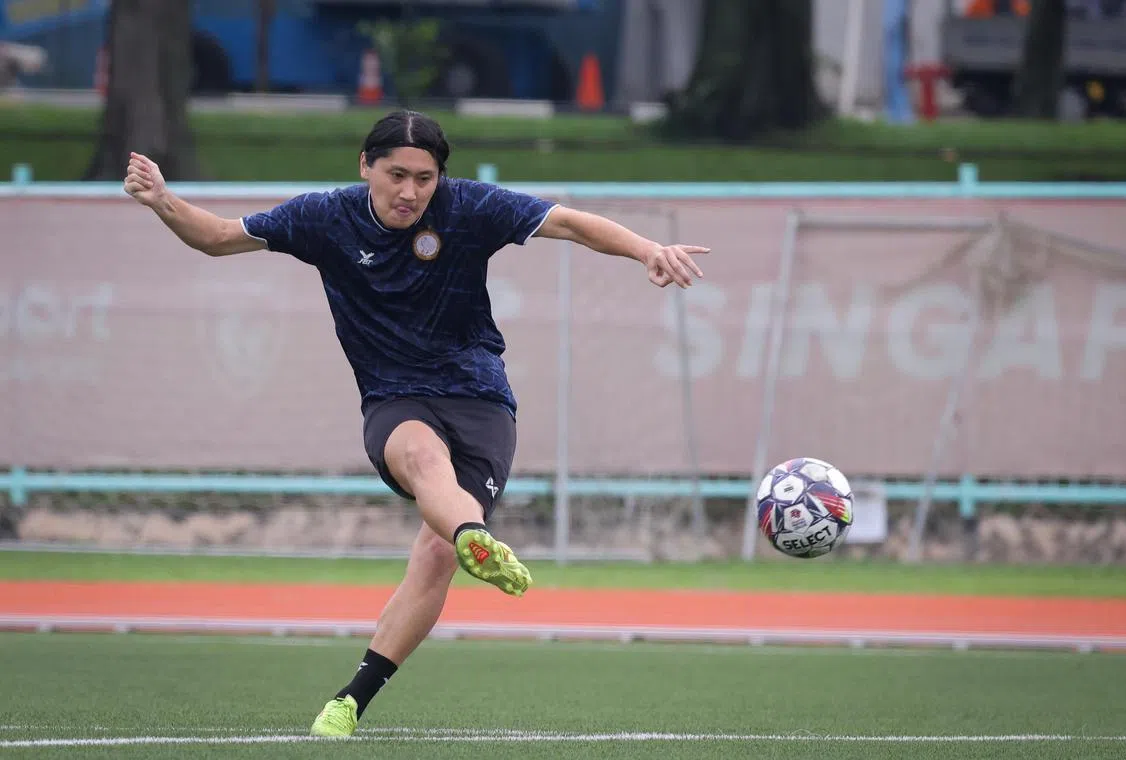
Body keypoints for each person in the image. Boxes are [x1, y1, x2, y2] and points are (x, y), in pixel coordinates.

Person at [122, 109, 709, 737]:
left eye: (424, 178)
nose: (409, 191)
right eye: (396, 174)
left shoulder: (468, 207)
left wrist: (648, 249)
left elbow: (566, 223)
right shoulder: (325, 217)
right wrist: (162, 199)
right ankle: (471, 536)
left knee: (433, 556)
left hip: (481, 401)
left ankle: (354, 696)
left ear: (440, 178)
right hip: (394, 400)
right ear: (366, 168)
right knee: (424, 462)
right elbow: (216, 236)